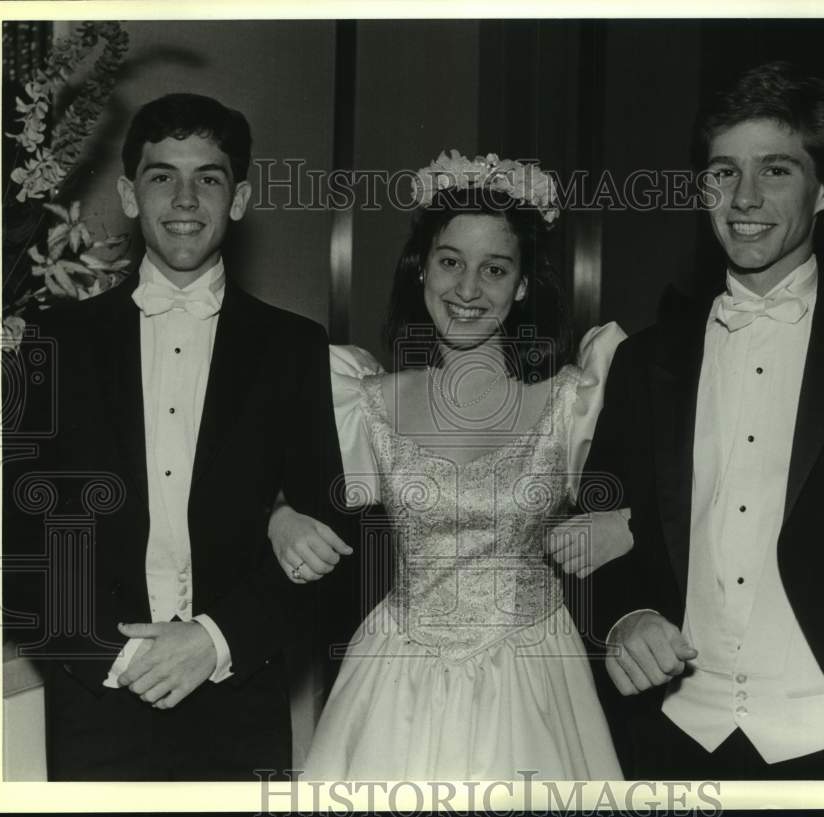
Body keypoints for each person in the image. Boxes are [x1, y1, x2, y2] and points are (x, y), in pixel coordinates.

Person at [584, 61, 824, 779]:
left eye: (776, 171)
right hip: (672, 738)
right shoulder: (644, 359)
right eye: (723, 172)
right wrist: (623, 617)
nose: (744, 198)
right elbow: (599, 527)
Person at [2, 93, 346, 780]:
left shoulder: (292, 346)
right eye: (163, 176)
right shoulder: (54, 340)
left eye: (209, 178)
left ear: (240, 198)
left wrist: (216, 640)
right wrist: (116, 655)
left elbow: (328, 537)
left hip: (238, 701)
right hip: (96, 699)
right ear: (130, 195)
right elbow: (17, 529)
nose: (185, 198)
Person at [268, 151, 627, 780]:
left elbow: (682, 489)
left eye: (494, 269)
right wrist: (277, 516)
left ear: (520, 286)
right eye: (450, 262)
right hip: (395, 676)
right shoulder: (362, 397)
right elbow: (249, 473)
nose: (467, 289)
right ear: (421, 272)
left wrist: (630, 522)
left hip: (535, 675)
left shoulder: (574, 402)